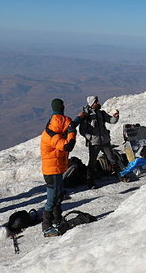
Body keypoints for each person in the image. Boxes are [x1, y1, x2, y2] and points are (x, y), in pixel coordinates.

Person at [40, 98, 77, 237]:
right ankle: (46, 226)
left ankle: (57, 221)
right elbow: (68, 146)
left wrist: (79, 118)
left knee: (58, 196)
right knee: (52, 199)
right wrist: (72, 132)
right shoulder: (51, 135)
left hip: (56, 169)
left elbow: (69, 125)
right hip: (52, 171)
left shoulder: (54, 125)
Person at [76, 96, 123, 188]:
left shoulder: (101, 113)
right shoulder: (87, 116)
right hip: (94, 143)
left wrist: (115, 117)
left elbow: (111, 121)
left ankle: (121, 175)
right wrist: (90, 138)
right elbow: (82, 131)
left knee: (112, 159)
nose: (98, 103)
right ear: (92, 104)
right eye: (96, 101)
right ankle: (90, 182)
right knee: (92, 162)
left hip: (105, 141)